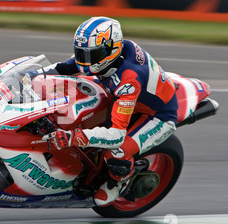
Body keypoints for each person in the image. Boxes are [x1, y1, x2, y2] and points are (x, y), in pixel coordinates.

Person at [30, 16, 178, 206]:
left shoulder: (128, 80)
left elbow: (116, 135)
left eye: (90, 55)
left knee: (116, 151)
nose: (84, 61)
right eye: (82, 53)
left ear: (110, 50)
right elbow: (66, 67)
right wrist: (35, 74)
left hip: (157, 116)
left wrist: (71, 137)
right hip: (123, 96)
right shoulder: (106, 55)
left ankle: (120, 180)